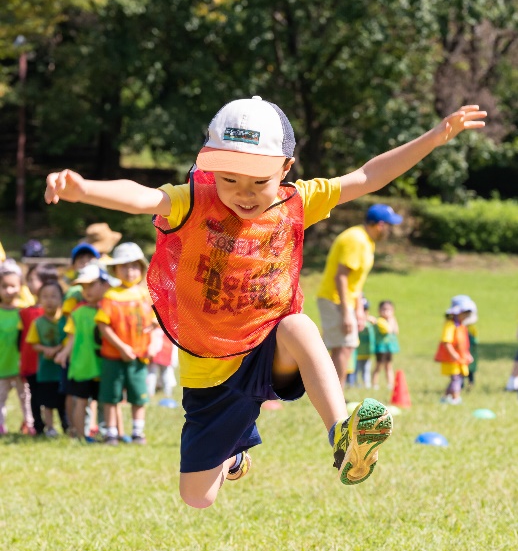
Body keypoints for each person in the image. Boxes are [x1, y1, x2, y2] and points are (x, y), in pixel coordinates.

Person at [44, 97, 486, 507]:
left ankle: (342, 434)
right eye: (229, 179)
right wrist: (85, 189)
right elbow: (142, 197)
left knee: (298, 326)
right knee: (198, 497)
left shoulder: (299, 201)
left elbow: (367, 177)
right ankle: (234, 455)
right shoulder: (191, 201)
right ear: (208, 169)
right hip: (209, 370)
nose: (243, 193)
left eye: (259, 181)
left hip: (267, 349)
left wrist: (435, 136)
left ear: (286, 169)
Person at [317, 203, 403, 388]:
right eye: (389, 226)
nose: (390, 231)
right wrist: (347, 311)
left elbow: (356, 281)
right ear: (380, 224)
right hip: (334, 298)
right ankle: (335, 394)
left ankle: (334, 392)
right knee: (342, 346)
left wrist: (358, 310)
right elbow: (341, 276)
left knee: (346, 346)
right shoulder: (356, 239)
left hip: (345, 300)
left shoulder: (367, 241)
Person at [94, 242, 153, 445]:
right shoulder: (111, 296)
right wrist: (122, 347)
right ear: (115, 269)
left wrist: (153, 336)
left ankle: (138, 432)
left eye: (134, 266)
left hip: (139, 356)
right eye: (124, 266)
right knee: (111, 396)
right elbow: (104, 326)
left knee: (139, 396)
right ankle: (111, 433)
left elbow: (156, 321)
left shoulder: (146, 295)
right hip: (113, 356)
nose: (130, 271)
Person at [55, 263, 113, 441]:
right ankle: (81, 436)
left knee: (105, 401)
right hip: (82, 366)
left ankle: (107, 433)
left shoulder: (109, 308)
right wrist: (64, 353)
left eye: (91, 285)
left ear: (105, 284)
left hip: (103, 364)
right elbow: (71, 337)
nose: (87, 290)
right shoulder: (77, 312)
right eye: (84, 286)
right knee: (81, 401)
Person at [19, 264, 59, 435]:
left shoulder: (55, 313)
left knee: (54, 395)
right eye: (27, 279)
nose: (28, 283)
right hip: (30, 362)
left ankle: (62, 424)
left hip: (47, 363)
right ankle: (38, 426)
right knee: (35, 397)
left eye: (33, 279)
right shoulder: (24, 312)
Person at [25, 280, 68, 435]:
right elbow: (33, 343)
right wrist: (46, 349)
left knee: (63, 400)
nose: (49, 300)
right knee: (47, 402)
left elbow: (69, 339)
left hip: (63, 370)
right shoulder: (37, 323)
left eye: (54, 296)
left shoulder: (66, 320)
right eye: (45, 296)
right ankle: (50, 428)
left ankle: (66, 425)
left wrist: (57, 348)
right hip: (45, 370)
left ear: (61, 299)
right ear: (39, 299)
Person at [0, 261, 34, 435]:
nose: (8, 290)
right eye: (4, 286)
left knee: (25, 397)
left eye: (13, 286)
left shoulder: (25, 311)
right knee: (1, 399)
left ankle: (29, 424)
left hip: (21, 366)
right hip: (2, 365)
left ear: (21, 287)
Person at [434, 295, 475, 405]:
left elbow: (463, 344)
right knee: (456, 379)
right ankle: (455, 398)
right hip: (452, 359)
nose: (467, 316)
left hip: (460, 358)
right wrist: (453, 354)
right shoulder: (450, 325)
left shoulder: (461, 326)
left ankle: (445, 397)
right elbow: (446, 342)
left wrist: (467, 355)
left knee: (457, 378)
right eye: (465, 313)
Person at [372, 300, 400, 390]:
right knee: (378, 366)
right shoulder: (380, 321)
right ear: (379, 311)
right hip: (381, 347)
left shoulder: (392, 320)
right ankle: (374, 384)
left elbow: (396, 331)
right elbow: (388, 330)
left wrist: (392, 320)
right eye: (383, 309)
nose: (386, 312)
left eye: (389, 310)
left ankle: (390, 384)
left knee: (389, 366)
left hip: (389, 347)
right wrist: (390, 321)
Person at [353, 297, 376, 388]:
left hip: (367, 352)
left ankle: (366, 384)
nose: (364, 313)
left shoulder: (371, 323)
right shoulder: (354, 323)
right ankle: (354, 383)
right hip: (357, 352)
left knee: (366, 369)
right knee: (356, 369)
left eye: (365, 310)